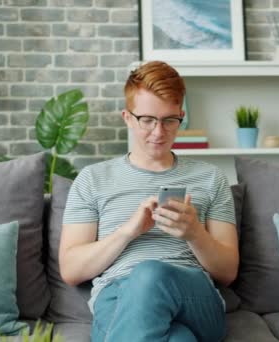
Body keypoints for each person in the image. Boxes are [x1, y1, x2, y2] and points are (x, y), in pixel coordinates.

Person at [59, 61, 239, 342]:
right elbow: (70, 270)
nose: (159, 132)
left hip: (194, 298)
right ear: (127, 117)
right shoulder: (92, 179)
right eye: (147, 120)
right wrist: (128, 232)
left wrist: (195, 234)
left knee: (151, 274)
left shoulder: (211, 178)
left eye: (169, 120)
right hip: (117, 298)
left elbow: (228, 272)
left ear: (181, 116)